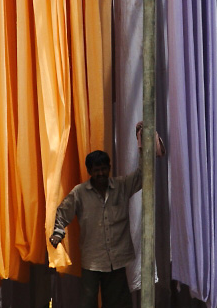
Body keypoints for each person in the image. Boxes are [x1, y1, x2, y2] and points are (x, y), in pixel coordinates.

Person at [48, 123, 164, 308]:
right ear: (89, 171)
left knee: (118, 304)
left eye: (103, 168)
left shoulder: (121, 186)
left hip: (117, 260)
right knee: (88, 303)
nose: (100, 173)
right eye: (96, 170)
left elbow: (144, 175)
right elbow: (62, 213)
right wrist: (58, 232)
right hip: (92, 261)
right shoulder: (79, 193)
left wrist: (142, 144)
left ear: (109, 168)